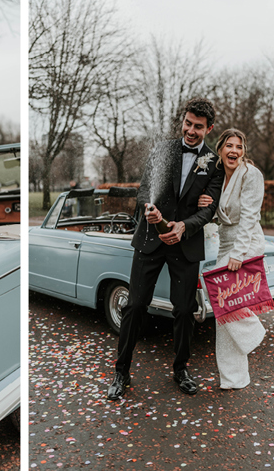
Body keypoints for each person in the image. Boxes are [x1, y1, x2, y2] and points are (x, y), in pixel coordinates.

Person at [107, 98, 224, 400]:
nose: (191, 130)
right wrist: (150, 210)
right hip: (150, 239)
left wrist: (184, 226)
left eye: (198, 127)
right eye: (188, 123)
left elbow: (209, 210)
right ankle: (121, 371)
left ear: (209, 128)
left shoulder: (213, 163)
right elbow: (146, 189)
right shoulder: (162, 150)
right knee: (135, 305)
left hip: (185, 245)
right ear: (183, 121)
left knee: (185, 310)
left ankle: (181, 369)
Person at [197, 128, 267, 390]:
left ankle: (254, 333)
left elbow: (249, 216)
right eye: (229, 146)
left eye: (238, 146)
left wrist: (238, 254)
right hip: (225, 242)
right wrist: (207, 204)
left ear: (243, 150)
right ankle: (233, 378)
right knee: (222, 316)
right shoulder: (218, 176)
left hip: (246, 243)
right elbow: (222, 213)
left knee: (223, 298)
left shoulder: (251, 174)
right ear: (221, 149)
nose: (234, 151)